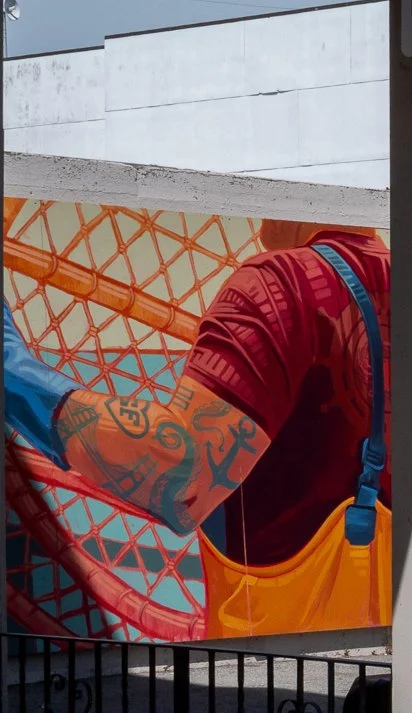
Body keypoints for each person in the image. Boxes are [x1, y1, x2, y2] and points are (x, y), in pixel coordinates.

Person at [3, 218, 390, 638]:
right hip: (397, 659)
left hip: (275, 669)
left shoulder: (282, 286)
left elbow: (180, 479)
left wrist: (15, 373)